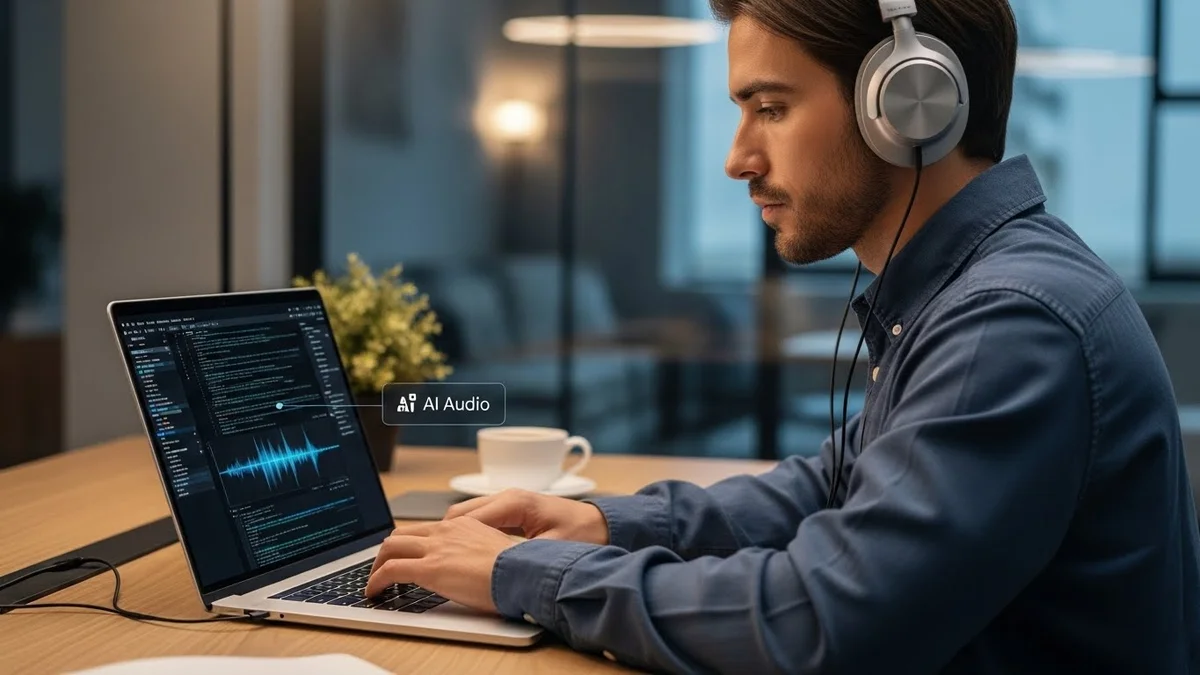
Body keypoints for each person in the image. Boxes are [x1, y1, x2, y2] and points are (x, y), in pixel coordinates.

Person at [366, 0, 1200, 672]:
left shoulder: (1011, 321)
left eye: (770, 106)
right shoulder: (968, 291)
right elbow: (822, 488)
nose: (737, 158)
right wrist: (605, 525)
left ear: (907, 106)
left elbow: (827, 621)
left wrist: (528, 574)